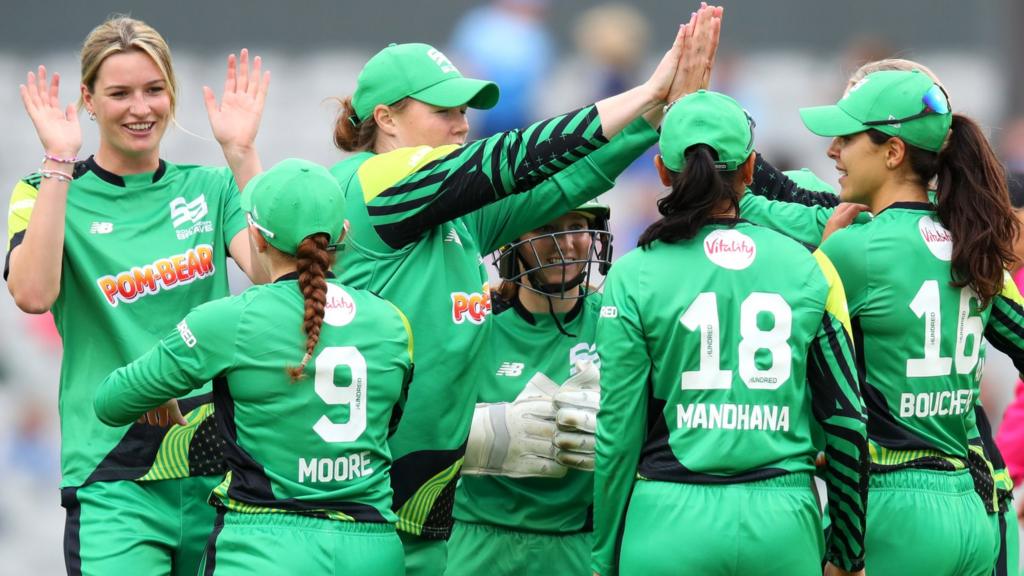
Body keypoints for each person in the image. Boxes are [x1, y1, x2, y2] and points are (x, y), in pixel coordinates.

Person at [327, 6, 723, 574]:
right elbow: (511, 159)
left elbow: (564, 183)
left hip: (421, 506)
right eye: (443, 111)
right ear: (386, 119)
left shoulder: (455, 219)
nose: (461, 125)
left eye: (462, 111)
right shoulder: (370, 183)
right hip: (368, 501)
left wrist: (657, 120)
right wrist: (645, 92)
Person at [6, 16, 269, 575]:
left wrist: (242, 153)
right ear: (88, 100)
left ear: (171, 93)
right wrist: (57, 160)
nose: (140, 108)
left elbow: (276, 277)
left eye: (154, 90)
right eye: (119, 93)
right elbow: (32, 293)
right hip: (111, 474)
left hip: (217, 468)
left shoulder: (211, 187)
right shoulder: (44, 191)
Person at [746, 60, 1024, 576]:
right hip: (975, 508)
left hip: (894, 510)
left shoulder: (852, 251)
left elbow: (780, 367)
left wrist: (825, 253)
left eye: (847, 139)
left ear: (893, 152)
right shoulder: (976, 244)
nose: (833, 151)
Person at [592, 89, 869, 576]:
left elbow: (619, 430)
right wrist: (846, 552)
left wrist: (604, 554)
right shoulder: (810, 268)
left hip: (669, 522)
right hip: (783, 524)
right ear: (749, 170)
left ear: (662, 171)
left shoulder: (635, 272)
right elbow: (846, 418)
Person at [93, 159, 413, 575]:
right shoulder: (393, 321)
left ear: (258, 239)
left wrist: (160, 392)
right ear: (343, 235)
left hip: (264, 547)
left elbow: (110, 402)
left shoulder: (230, 319)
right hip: (374, 551)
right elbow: (387, 426)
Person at [446, 201, 612, 575]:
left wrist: (622, 427)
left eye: (577, 226)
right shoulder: (474, 322)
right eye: (546, 227)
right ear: (511, 241)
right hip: (477, 541)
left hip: (579, 545)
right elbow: (415, 425)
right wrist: (485, 433)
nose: (567, 243)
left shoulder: (615, 321)